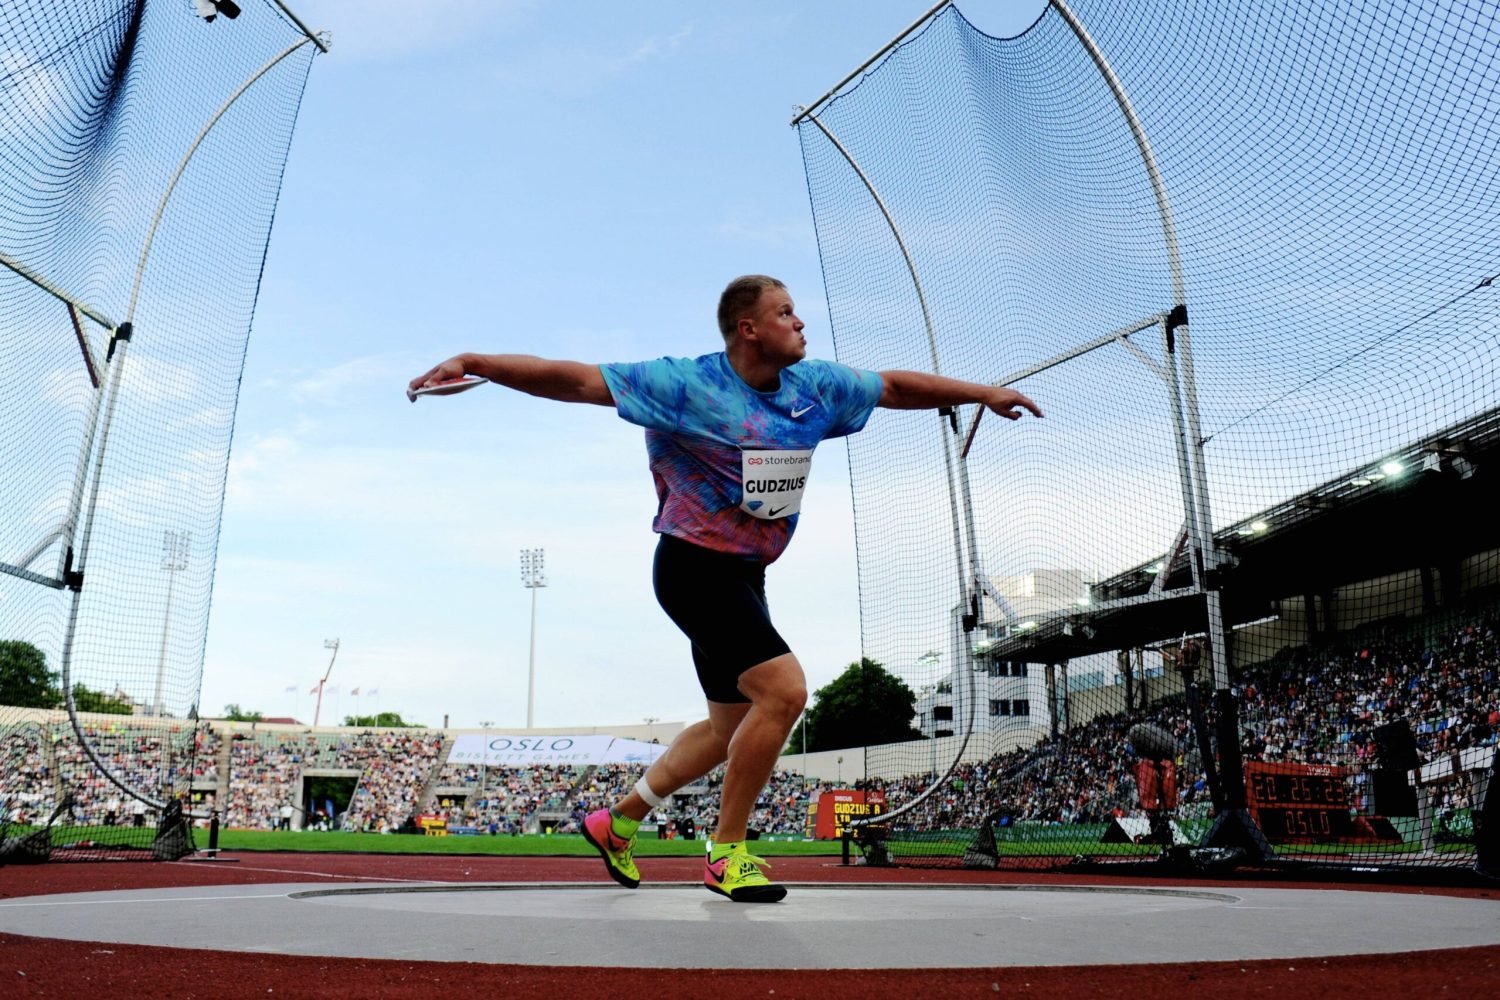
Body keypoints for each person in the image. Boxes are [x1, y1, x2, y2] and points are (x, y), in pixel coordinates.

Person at [409, 274, 1041, 903]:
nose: (800, 323)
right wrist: (476, 363)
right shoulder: (684, 385)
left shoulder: (815, 388)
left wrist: (981, 392)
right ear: (749, 329)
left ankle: (618, 820)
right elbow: (572, 379)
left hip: (745, 574)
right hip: (692, 567)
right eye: (786, 313)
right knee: (785, 692)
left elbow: (895, 387)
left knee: (726, 728)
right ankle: (727, 852)